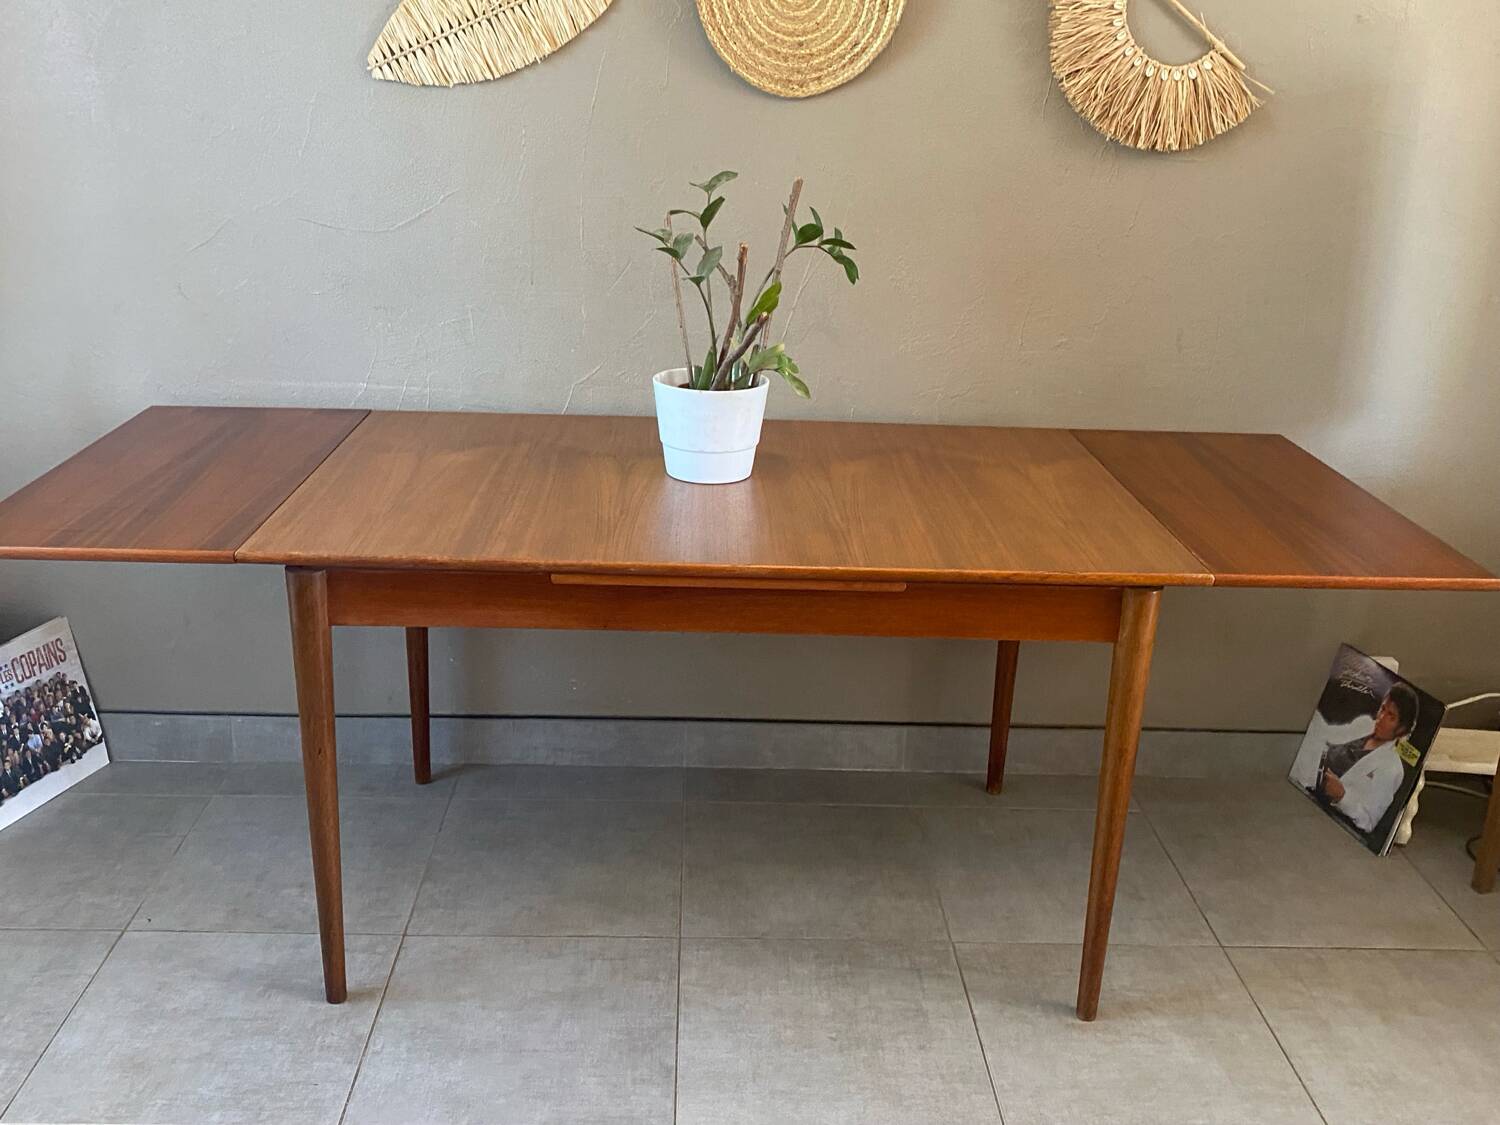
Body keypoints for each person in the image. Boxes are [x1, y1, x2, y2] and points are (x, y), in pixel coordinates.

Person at [1310, 683, 1419, 833]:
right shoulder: (1364, 724)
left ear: (1401, 729)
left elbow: (1368, 821)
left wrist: (1342, 796)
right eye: (1383, 709)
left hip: (1327, 816)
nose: (1380, 718)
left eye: (1391, 716)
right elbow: (1329, 734)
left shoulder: (1392, 768)